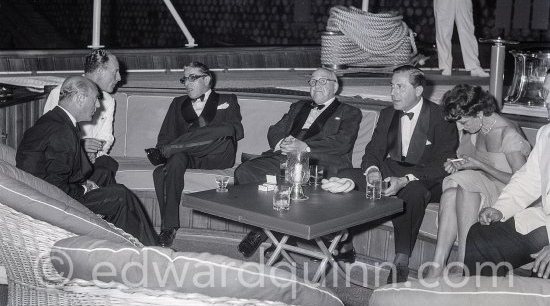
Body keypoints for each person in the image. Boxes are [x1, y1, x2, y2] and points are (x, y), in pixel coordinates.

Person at [338, 65, 459, 282]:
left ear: (419, 90)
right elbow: (374, 150)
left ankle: (401, 260)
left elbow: (443, 163)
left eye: (400, 87)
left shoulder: (441, 117)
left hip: (425, 176)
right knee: (347, 174)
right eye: (392, 86)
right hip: (391, 168)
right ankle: (343, 237)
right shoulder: (387, 114)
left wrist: (404, 180)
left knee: (412, 192)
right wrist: (373, 171)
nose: (393, 93)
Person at [235, 67, 362, 258]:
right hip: (284, 158)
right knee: (245, 171)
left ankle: (268, 233)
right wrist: (282, 143)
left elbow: (341, 143)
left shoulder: (349, 112)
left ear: (335, 87)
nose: (316, 85)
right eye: (312, 82)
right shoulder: (298, 107)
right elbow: (275, 129)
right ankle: (275, 230)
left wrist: (304, 147)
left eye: (322, 81)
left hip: (319, 162)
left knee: (288, 181)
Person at [17, 76, 157, 246]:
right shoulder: (62, 131)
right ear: (80, 98)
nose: (98, 105)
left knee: (104, 175)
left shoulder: (55, 119)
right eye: (95, 99)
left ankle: (114, 242)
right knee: (120, 195)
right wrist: (83, 188)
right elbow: (56, 187)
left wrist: (85, 182)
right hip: (49, 202)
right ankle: (150, 251)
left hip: (42, 191)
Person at [425, 84, 531, 278]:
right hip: (486, 189)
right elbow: (472, 160)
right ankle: (437, 264)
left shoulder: (508, 133)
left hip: (509, 199)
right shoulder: (476, 129)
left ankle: (464, 262)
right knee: (450, 193)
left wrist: (480, 166)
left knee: (466, 187)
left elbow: (522, 185)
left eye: (463, 122)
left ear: (480, 112)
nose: (460, 127)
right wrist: (459, 164)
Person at [464, 70, 550, 278]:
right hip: (545, 224)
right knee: (480, 236)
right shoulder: (546, 134)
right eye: (545, 92)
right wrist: (500, 209)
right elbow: (527, 180)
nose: (546, 100)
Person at [150, 62, 243, 248]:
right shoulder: (178, 103)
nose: (187, 83)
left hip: (218, 153)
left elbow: (237, 131)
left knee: (226, 129)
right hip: (187, 156)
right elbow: (165, 136)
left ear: (207, 79)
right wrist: (167, 147)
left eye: (193, 77)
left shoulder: (228, 99)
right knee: (175, 159)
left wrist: (171, 147)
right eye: (185, 79)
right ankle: (168, 227)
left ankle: (175, 148)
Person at [43, 48, 121, 184]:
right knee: (102, 176)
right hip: (65, 158)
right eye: (115, 72)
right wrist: (80, 146)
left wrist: (94, 150)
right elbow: (49, 137)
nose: (119, 78)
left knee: (106, 166)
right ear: (100, 72)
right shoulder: (62, 93)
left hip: (96, 158)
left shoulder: (108, 101)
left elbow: (106, 137)